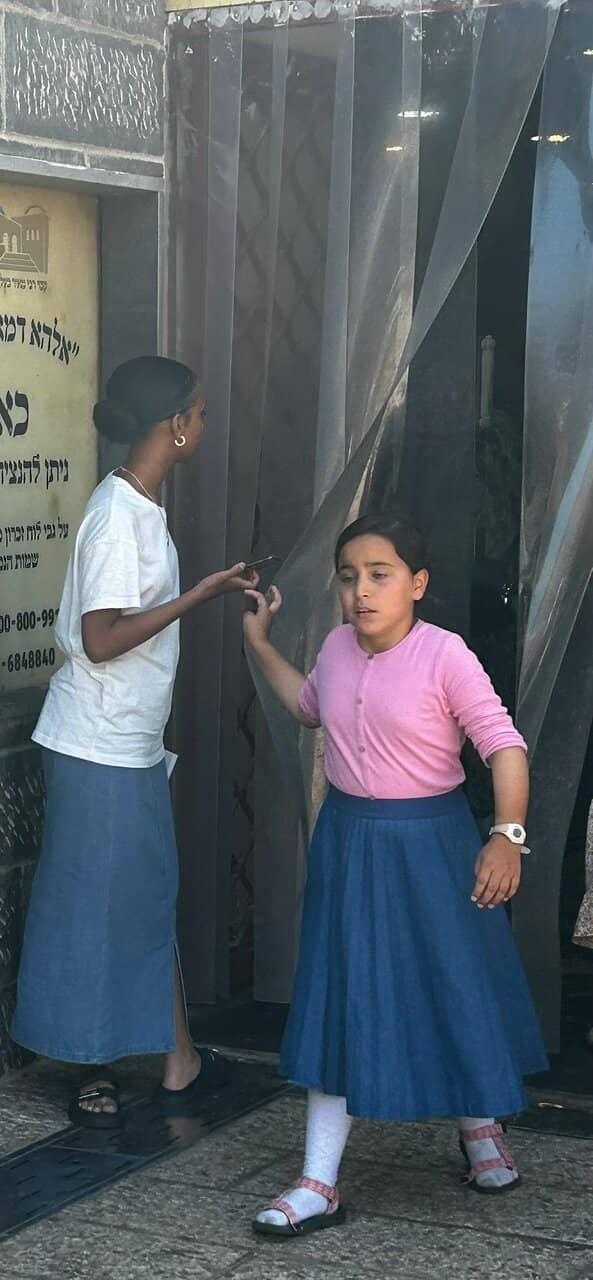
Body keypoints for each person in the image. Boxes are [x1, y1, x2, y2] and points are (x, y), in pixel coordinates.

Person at [243, 512, 548, 1237]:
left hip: (432, 843)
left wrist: (506, 836)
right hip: (350, 841)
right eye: (348, 578)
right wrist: (257, 642)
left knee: (451, 980)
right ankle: (318, 1181)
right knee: (339, 993)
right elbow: (309, 706)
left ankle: (478, 1130)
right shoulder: (335, 649)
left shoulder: (446, 655)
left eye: (379, 575)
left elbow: (502, 745)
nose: (360, 592)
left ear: (417, 583)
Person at [12, 356, 257, 1126]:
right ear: (175, 424)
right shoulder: (119, 514)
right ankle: (91, 1065)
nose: (206, 425)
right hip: (97, 745)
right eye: (202, 412)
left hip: (124, 743)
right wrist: (202, 595)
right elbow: (102, 636)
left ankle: (177, 1059)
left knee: (144, 901)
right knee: (98, 907)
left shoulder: (138, 506)